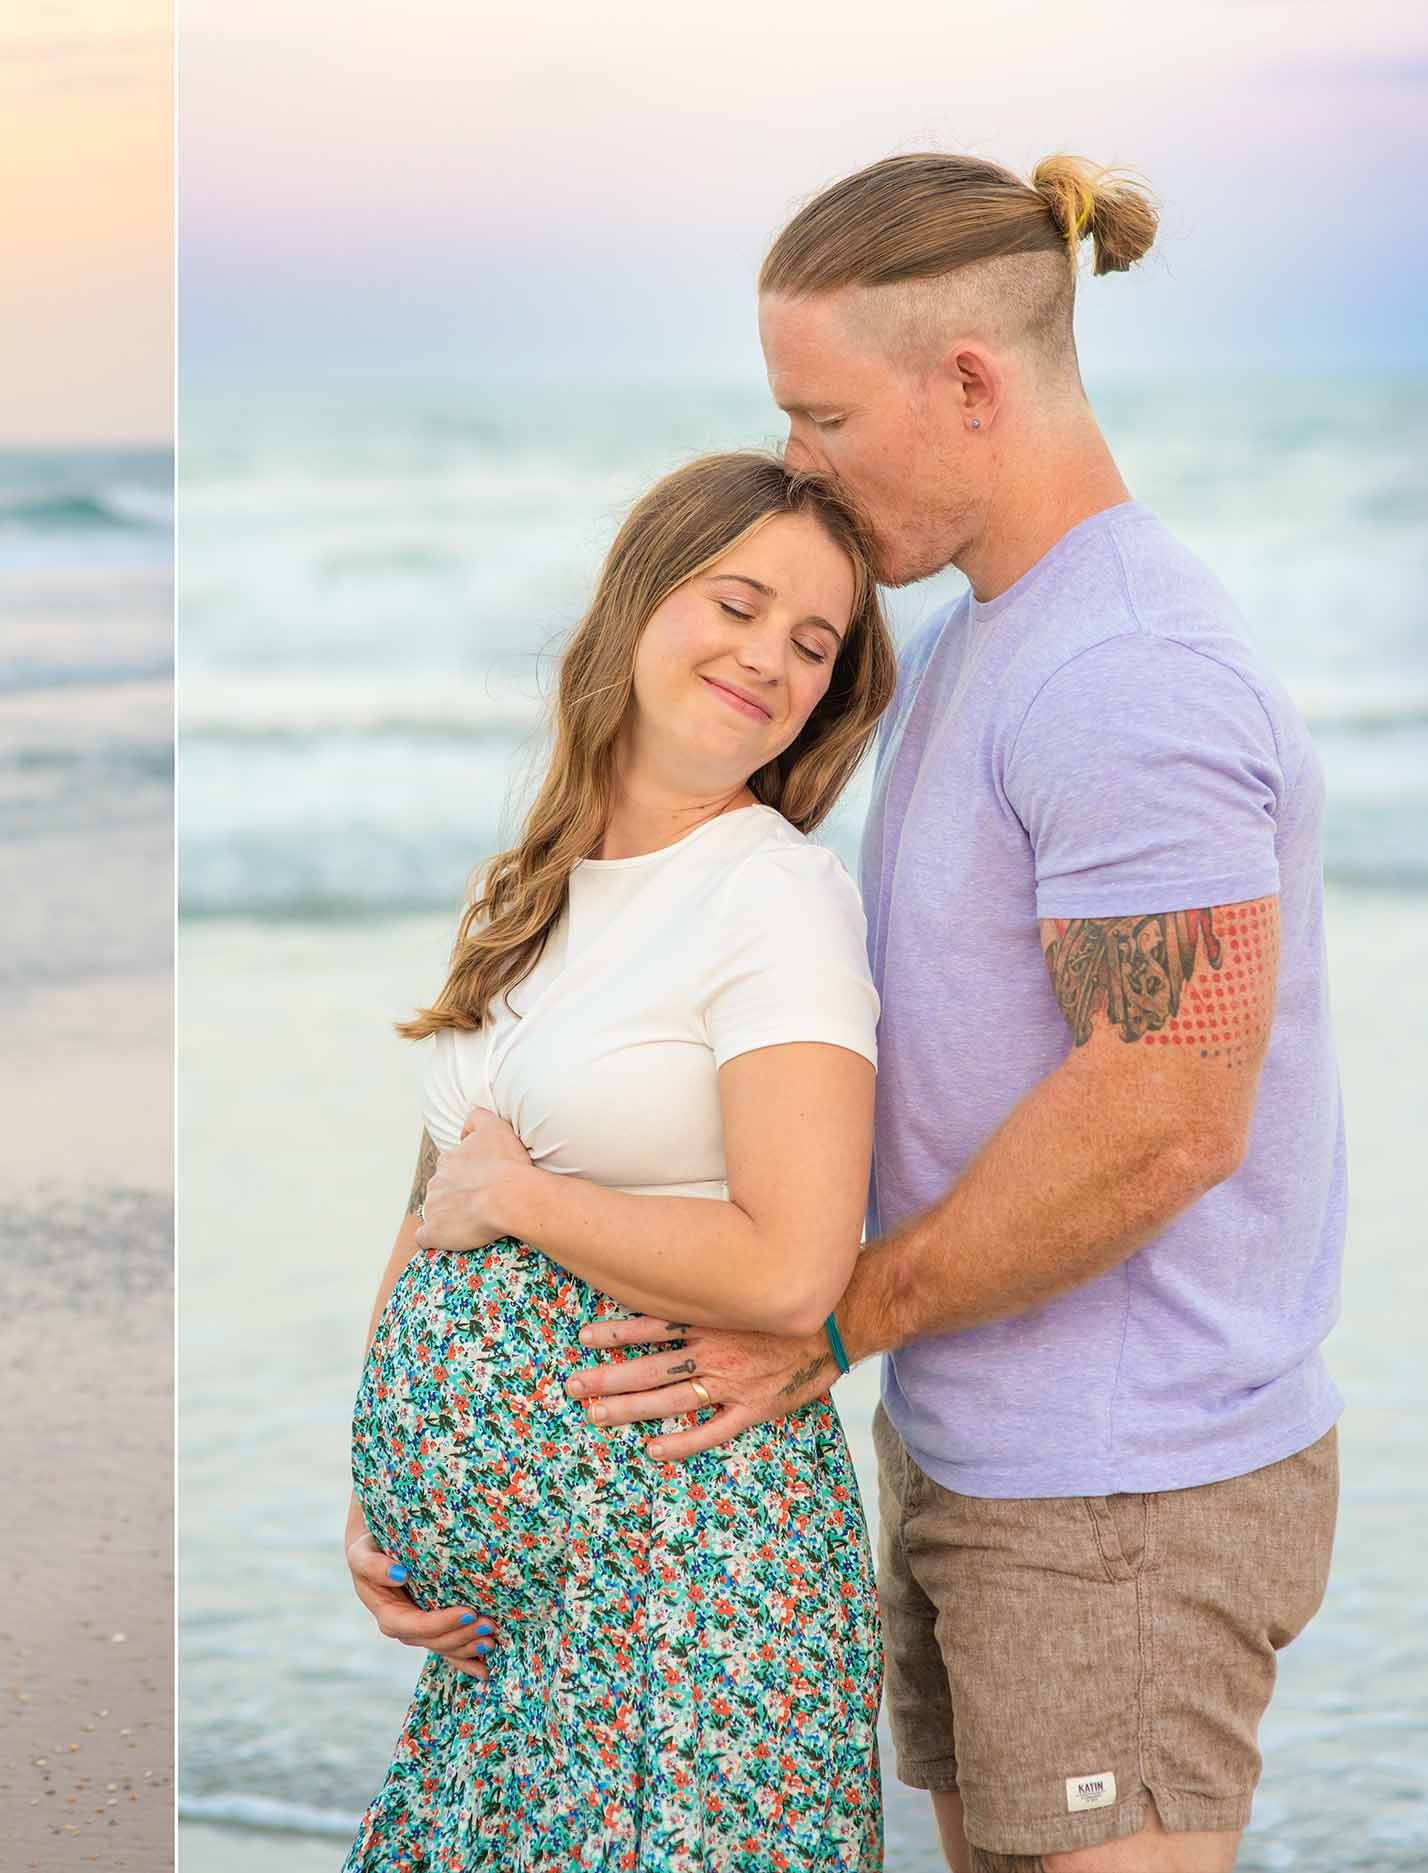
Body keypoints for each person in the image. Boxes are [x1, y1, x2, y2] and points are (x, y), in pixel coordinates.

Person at [573, 154, 1343, 1873]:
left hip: (1123, 1487)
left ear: (971, 387)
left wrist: (834, 1322)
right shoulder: (997, 635)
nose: (797, 461)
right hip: (989, 1450)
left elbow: (1168, 1115)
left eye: (824, 414)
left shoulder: (1124, 673)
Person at [339, 451, 899, 1869]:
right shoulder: (532, 888)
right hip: (515, 1636)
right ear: (641, 598)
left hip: (689, 1587)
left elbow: (791, 1262)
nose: (769, 657)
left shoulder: (773, 895)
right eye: (740, 602)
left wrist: (525, 1199)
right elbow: (432, 1206)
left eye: (812, 642)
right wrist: (375, 1487)